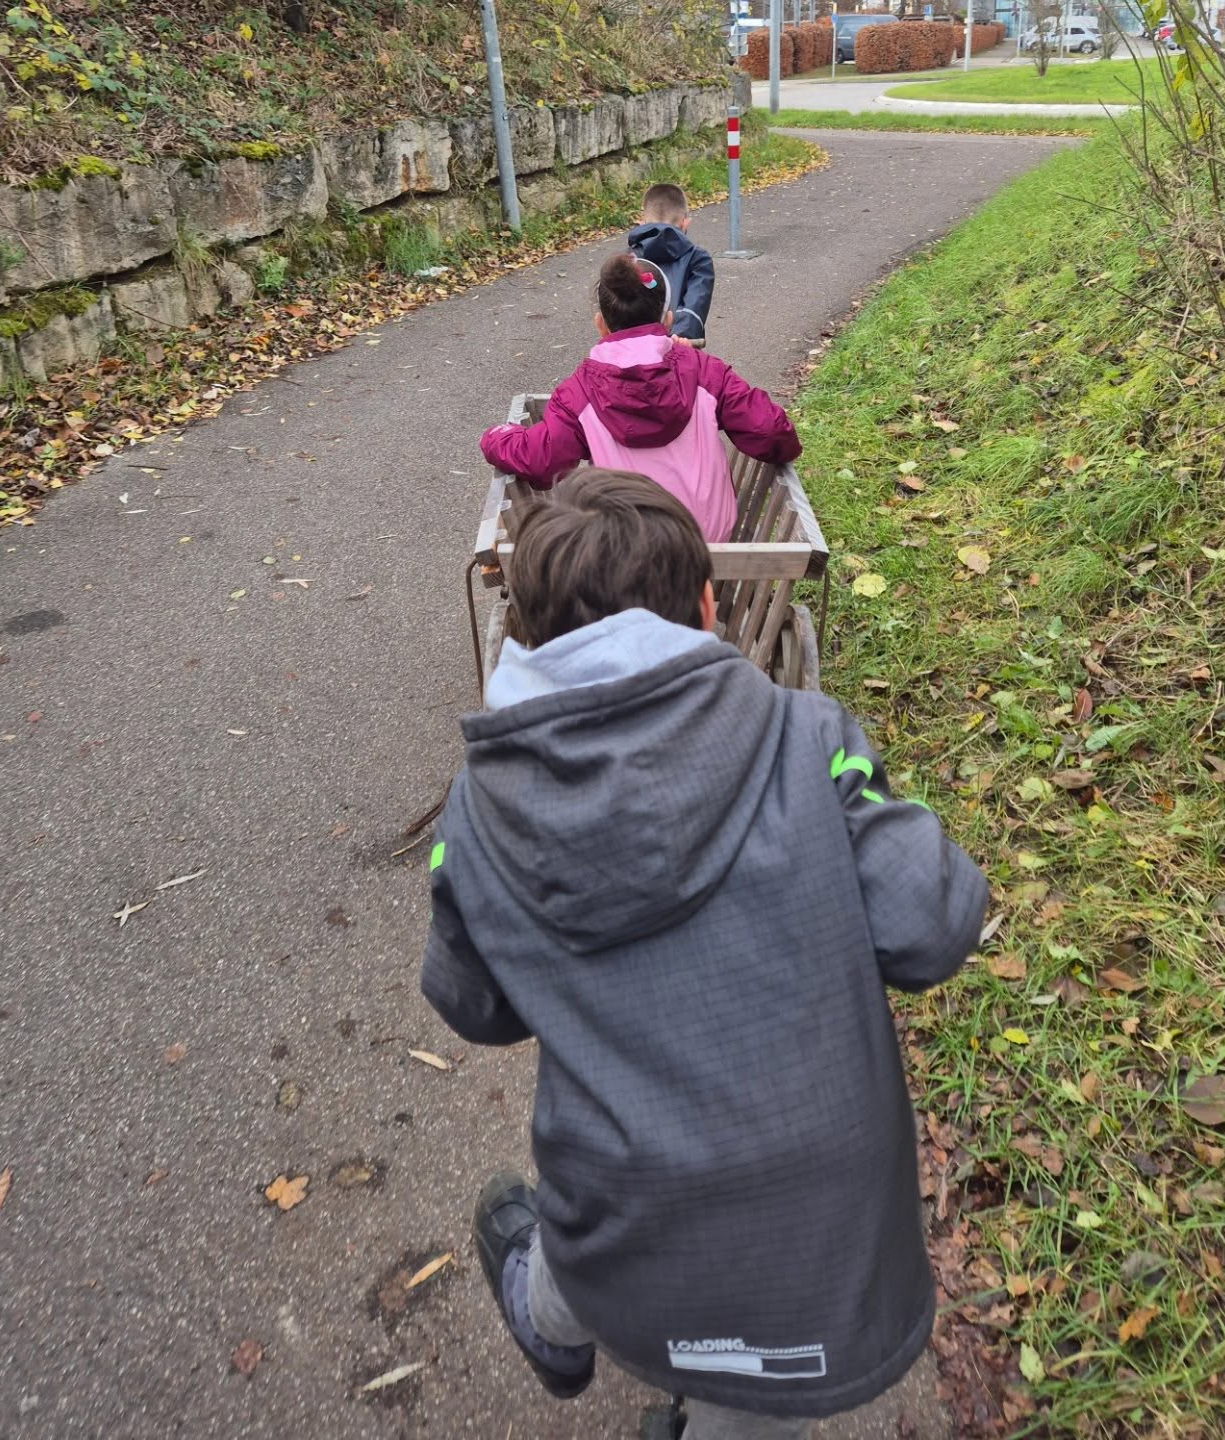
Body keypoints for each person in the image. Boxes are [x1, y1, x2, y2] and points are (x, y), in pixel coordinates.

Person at [420, 469, 990, 1440]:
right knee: (759, 1394)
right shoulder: (808, 739)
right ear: (707, 605)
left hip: (626, 1207)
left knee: (591, 1181)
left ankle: (553, 1322)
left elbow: (474, 1006)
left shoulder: (478, 811)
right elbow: (936, 922)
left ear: (526, 634)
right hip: (820, 1234)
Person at [478, 254, 798, 543]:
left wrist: (496, 438)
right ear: (668, 319)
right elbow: (771, 430)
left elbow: (540, 460)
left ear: (600, 325)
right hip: (707, 545)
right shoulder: (705, 372)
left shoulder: (579, 393)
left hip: (627, 553)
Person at [628, 182, 715, 345]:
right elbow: (695, 305)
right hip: (680, 347)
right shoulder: (698, 259)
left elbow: (612, 305)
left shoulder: (626, 259)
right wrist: (680, 336)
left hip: (630, 349)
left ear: (642, 223)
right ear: (685, 223)